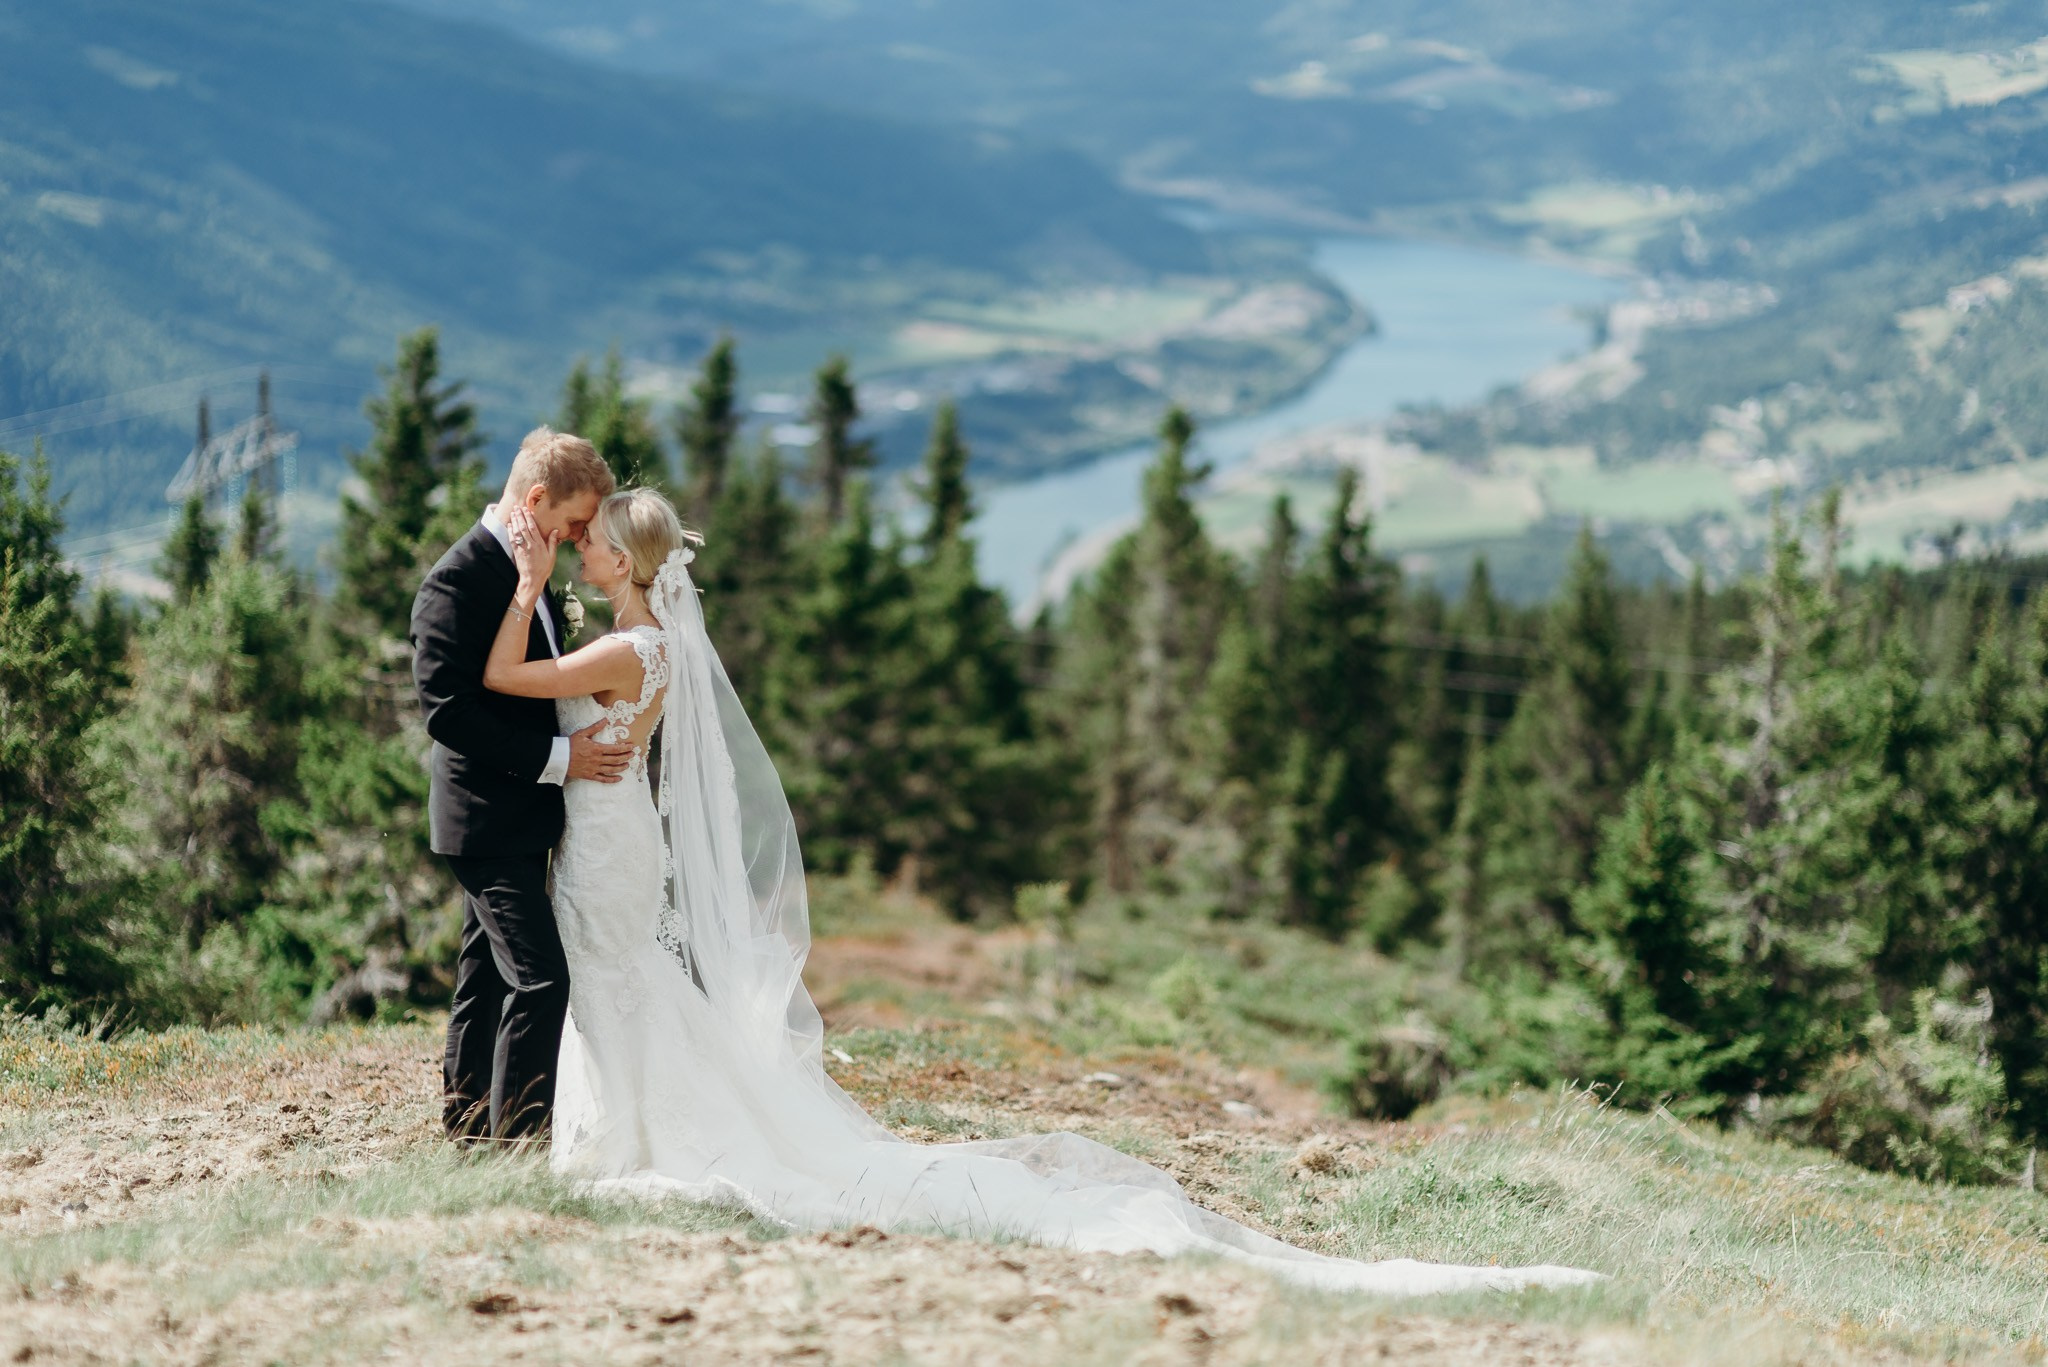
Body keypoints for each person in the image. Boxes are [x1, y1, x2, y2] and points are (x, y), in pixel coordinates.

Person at [477, 482, 1601, 1295]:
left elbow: (501, 677)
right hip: (607, 831)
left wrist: (521, 584)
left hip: (609, 839)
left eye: (589, 550)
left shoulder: (625, 651)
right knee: (615, 982)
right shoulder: (647, 644)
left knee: (616, 978)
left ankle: (615, 1135)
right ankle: (613, 1121)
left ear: (626, 562)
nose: (578, 558)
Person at [409, 427, 630, 1144]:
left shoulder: (525, 570)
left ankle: (469, 1131)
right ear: (535, 499)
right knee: (542, 979)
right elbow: (448, 712)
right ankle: (518, 1145)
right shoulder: (458, 579)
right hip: (482, 819)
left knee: (485, 979)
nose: (574, 538)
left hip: (518, 817)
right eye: (570, 522)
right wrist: (561, 758)